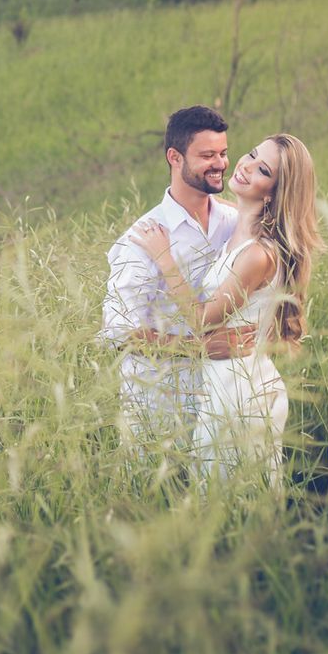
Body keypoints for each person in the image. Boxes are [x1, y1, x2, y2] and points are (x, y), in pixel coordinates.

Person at [127, 133, 324, 484]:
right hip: (226, 383)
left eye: (263, 169)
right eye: (250, 154)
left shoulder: (257, 254)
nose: (245, 166)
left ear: (274, 193)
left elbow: (202, 320)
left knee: (230, 502)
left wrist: (163, 257)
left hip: (239, 392)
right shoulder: (237, 227)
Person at [100, 105, 248, 443]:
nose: (221, 164)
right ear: (174, 157)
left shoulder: (233, 221)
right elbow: (119, 332)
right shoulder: (142, 239)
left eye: (224, 153)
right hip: (159, 408)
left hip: (223, 400)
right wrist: (198, 348)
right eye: (207, 155)